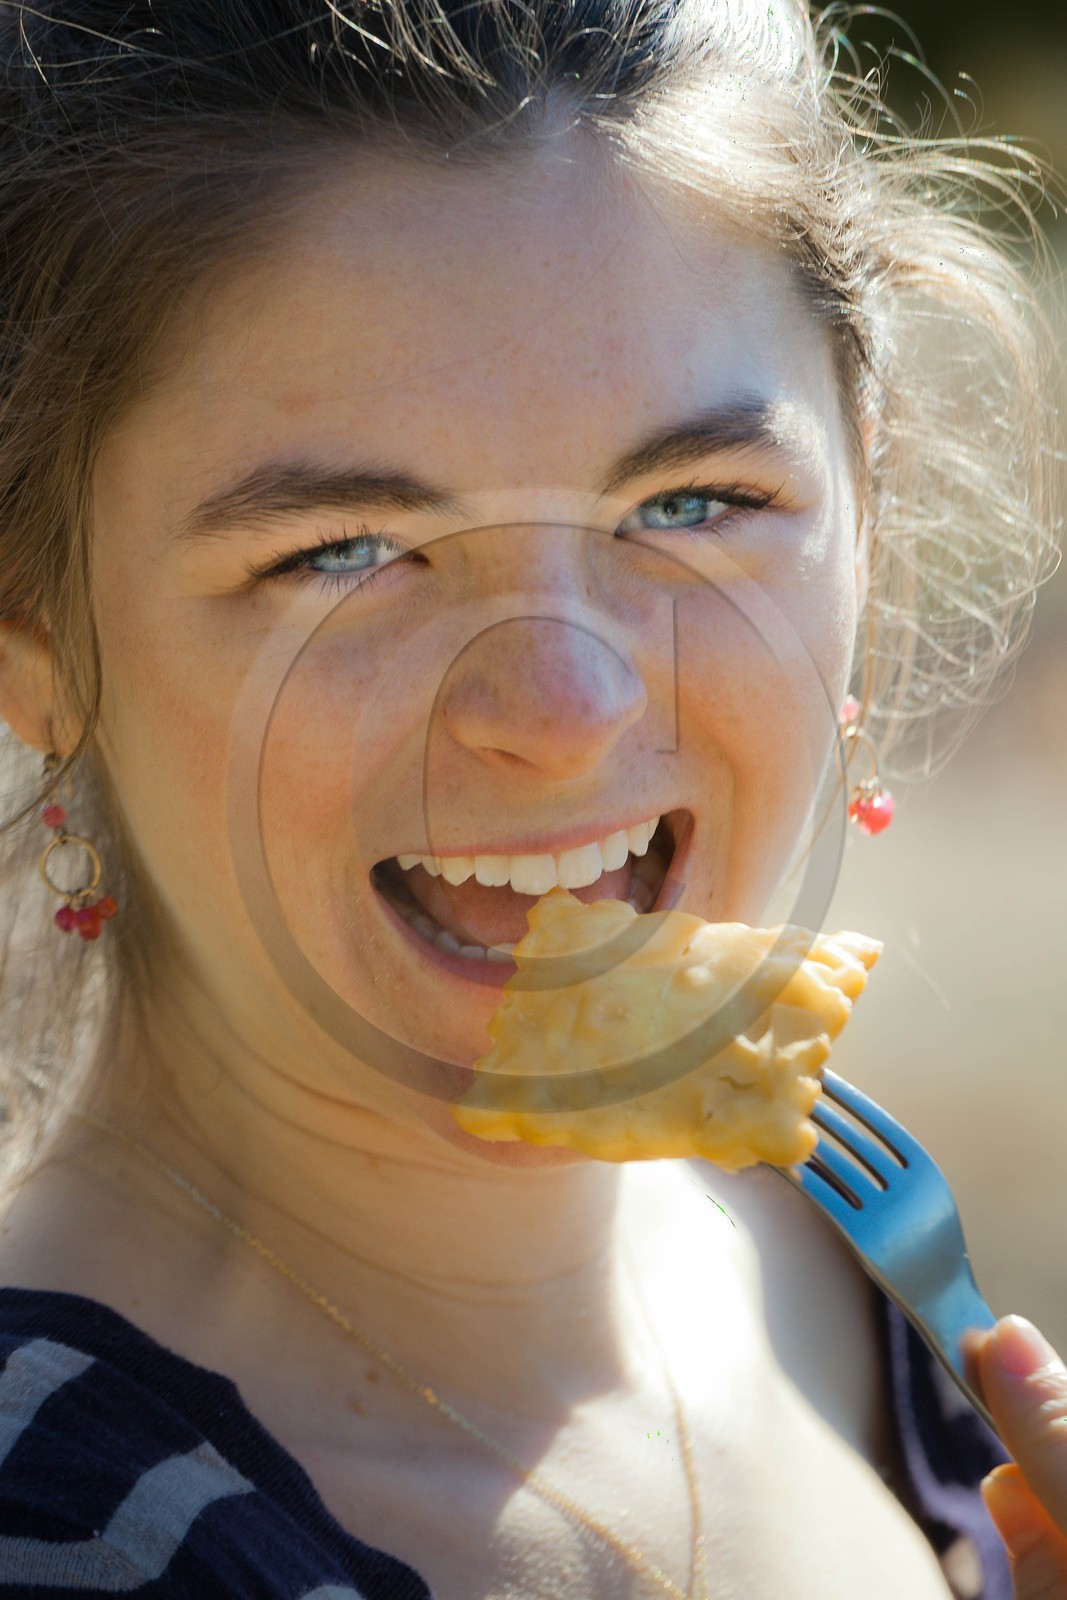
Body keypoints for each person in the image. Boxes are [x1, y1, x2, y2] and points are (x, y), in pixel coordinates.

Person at [0, 2, 1061, 1597]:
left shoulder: (840, 1258)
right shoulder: (68, 1535)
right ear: (34, 645)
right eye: (342, 551)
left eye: (692, 503)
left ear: (869, 500)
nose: (564, 710)